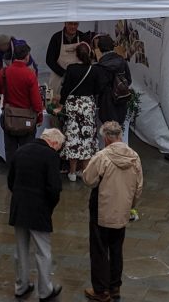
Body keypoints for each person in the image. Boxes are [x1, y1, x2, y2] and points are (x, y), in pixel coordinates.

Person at [82, 122, 143, 302]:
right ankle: (115, 286)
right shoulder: (134, 157)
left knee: (99, 249)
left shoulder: (102, 156)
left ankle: (100, 290)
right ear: (120, 136)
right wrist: (131, 205)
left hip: (102, 208)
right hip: (122, 208)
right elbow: (139, 187)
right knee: (117, 248)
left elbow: (88, 179)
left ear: (106, 138)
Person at [7, 128, 65, 302]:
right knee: (43, 252)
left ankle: (21, 286)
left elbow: (11, 180)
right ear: (54, 143)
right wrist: (50, 206)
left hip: (19, 207)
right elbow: (54, 188)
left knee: (21, 250)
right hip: (39, 209)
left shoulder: (21, 150)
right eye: (59, 147)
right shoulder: (50, 156)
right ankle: (45, 290)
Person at [55, 43, 100, 181]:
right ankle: (84, 171)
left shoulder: (71, 68)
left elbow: (65, 89)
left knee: (73, 137)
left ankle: (72, 172)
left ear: (76, 55)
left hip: (73, 105)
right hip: (88, 105)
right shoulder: (95, 70)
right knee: (87, 138)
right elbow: (97, 89)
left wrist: (61, 105)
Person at [0, 43, 45, 162]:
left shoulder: (4, 72)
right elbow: (36, 100)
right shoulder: (30, 74)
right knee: (27, 151)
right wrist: (39, 116)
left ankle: (12, 175)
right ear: (27, 56)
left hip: (9, 117)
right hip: (27, 119)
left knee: (10, 150)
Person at [93, 34, 132, 128]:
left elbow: (98, 87)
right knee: (118, 129)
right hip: (121, 100)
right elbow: (129, 80)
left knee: (108, 131)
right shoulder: (122, 61)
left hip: (106, 102)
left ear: (100, 49)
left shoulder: (100, 66)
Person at [46, 21, 88, 93]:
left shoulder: (82, 37)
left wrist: (78, 73)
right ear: (65, 23)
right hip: (59, 77)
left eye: (75, 24)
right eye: (70, 24)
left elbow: (87, 58)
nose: (73, 27)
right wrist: (64, 74)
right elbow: (49, 60)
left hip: (77, 78)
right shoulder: (56, 37)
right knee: (57, 100)